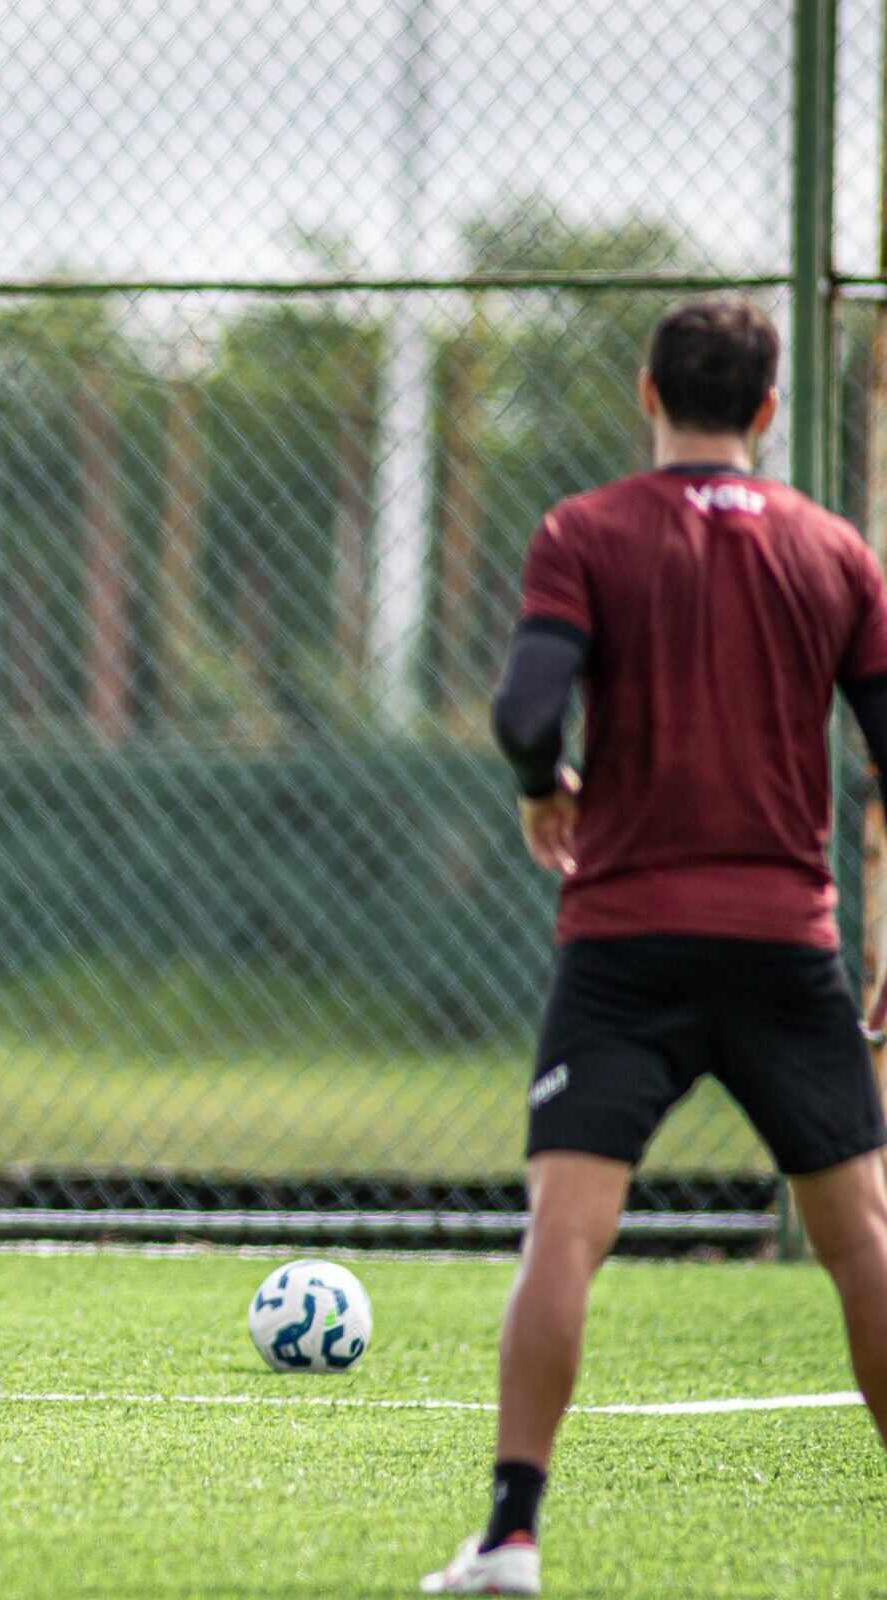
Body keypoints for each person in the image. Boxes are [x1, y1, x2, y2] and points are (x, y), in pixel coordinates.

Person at [425, 297, 887, 1595]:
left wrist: (543, 786)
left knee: (566, 1233)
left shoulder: (586, 532)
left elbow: (526, 708)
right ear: (768, 409)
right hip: (785, 943)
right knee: (861, 1238)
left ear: (647, 393)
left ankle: (511, 1536)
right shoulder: (835, 552)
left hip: (626, 944)